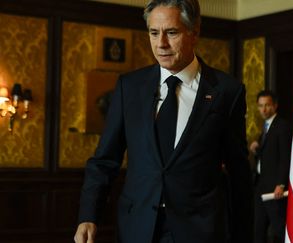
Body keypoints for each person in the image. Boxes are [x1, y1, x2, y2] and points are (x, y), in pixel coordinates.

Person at [73, 0, 253, 242]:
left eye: (171, 32)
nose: (161, 44)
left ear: (194, 32)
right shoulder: (130, 87)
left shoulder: (227, 91)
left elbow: (238, 172)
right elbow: (105, 160)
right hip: (137, 228)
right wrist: (88, 216)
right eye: (154, 33)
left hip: (200, 231)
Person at [249, 90, 292, 243]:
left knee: (279, 229)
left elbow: (285, 158)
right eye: (260, 106)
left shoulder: (282, 126)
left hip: (274, 189)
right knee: (258, 230)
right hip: (260, 186)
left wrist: (281, 184)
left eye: (267, 105)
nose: (264, 109)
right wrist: (257, 149)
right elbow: (269, 154)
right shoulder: (266, 126)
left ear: (275, 106)